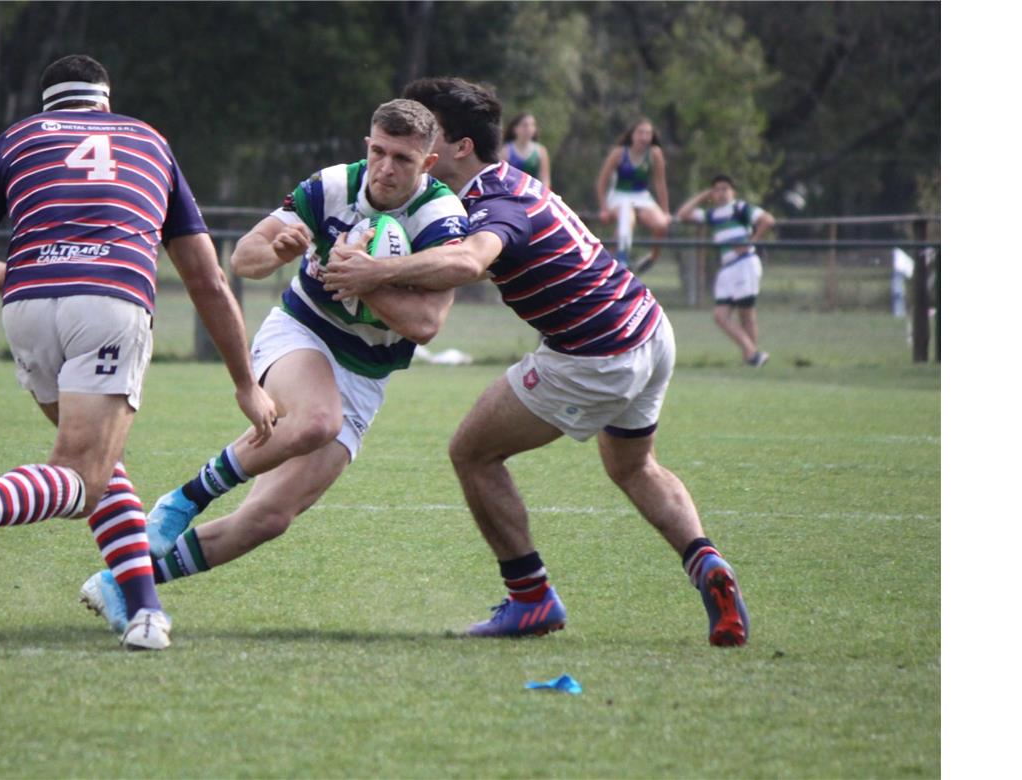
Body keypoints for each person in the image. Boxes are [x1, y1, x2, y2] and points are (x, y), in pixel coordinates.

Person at [323, 77, 749, 647]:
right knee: (632, 466)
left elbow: (473, 260)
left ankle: (531, 599)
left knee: (472, 451)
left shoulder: (491, 202)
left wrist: (376, 273)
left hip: (597, 352)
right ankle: (708, 566)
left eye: (430, 135)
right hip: (648, 326)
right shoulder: (513, 181)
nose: (417, 146)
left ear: (460, 147)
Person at [0, 54, 277, 652]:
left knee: (98, 464)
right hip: (110, 300)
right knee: (83, 476)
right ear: (106, 100)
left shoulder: (16, 139)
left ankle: (145, 611)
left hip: (27, 307)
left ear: (48, 103)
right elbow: (207, 280)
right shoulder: (148, 140)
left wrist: (8, 271)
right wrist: (246, 382)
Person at [77, 99, 469, 633]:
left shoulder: (441, 218)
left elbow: (426, 325)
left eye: (402, 157)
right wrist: (281, 251)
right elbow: (245, 258)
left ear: (426, 163)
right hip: (300, 332)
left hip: (365, 375)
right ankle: (183, 501)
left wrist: (367, 279)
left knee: (268, 519)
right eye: (378, 151)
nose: (385, 168)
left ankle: (123, 584)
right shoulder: (332, 186)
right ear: (367, 146)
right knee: (314, 421)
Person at [676, 175, 776, 367]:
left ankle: (751, 357)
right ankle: (753, 354)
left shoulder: (740, 208)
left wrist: (750, 242)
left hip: (744, 263)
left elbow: (767, 220)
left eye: (725, 189)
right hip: (728, 267)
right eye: (717, 189)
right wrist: (703, 196)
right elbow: (683, 215)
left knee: (746, 313)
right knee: (720, 315)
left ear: (733, 191)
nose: (721, 193)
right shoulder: (713, 215)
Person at [594, 118, 670, 275]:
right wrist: (603, 208)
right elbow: (602, 181)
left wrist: (665, 210)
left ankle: (652, 258)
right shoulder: (619, 153)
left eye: (648, 133)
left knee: (661, 224)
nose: (644, 137)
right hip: (619, 196)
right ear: (632, 135)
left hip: (641, 196)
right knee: (627, 218)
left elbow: (660, 183)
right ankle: (621, 259)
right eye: (640, 132)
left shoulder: (654, 154)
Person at [502, 112, 551, 190]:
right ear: (515, 129)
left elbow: (545, 180)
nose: (529, 128)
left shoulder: (541, 151)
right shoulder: (505, 151)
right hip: (512, 194)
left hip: (533, 194)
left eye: (532, 125)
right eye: (525, 125)